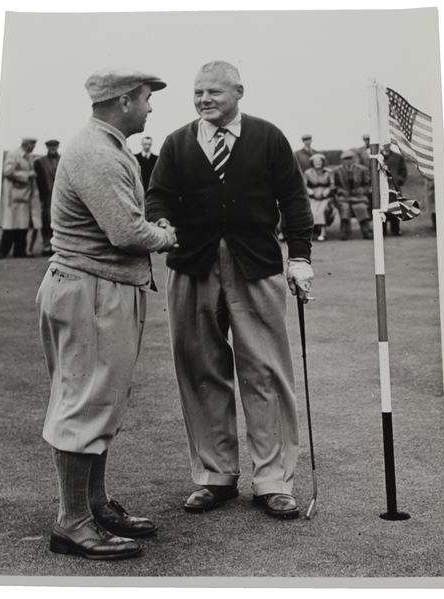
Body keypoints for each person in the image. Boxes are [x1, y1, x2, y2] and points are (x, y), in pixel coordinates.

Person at [146, 61, 314, 519]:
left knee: (265, 371)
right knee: (200, 369)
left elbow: (294, 200)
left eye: (213, 92)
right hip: (192, 267)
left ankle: (273, 481)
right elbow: (158, 193)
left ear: (238, 91)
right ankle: (214, 476)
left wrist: (299, 257)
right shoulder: (178, 141)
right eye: (198, 93)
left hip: (255, 267)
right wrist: (161, 218)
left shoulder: (268, 137)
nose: (203, 100)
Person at [36, 67, 177, 561]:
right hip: (92, 291)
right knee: (85, 403)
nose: (150, 107)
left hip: (98, 287)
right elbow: (125, 232)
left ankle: (92, 505)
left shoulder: (107, 145)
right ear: (122, 102)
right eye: (145, 98)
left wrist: (147, 226)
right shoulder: (97, 151)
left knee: (98, 401)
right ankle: (73, 523)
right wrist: (165, 234)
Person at [0, 137, 40, 258]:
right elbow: (7, 172)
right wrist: (27, 175)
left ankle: (19, 251)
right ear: (27, 144)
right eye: (33, 144)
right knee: (11, 226)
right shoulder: (13, 155)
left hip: (25, 197)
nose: (34, 147)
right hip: (14, 196)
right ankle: (3, 251)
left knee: (22, 225)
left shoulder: (28, 156)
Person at [334, 149, 373, 240]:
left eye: (350, 158)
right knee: (345, 208)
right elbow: (335, 185)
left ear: (354, 159)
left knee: (361, 207)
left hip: (359, 197)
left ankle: (367, 232)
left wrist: (362, 190)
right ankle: (344, 233)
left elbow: (368, 184)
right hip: (344, 197)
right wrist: (341, 191)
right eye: (345, 159)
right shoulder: (337, 171)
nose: (348, 161)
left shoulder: (362, 169)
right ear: (342, 160)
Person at [34, 140, 61, 255]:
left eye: (54, 146)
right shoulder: (40, 161)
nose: (52, 148)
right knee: (46, 222)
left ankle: (58, 246)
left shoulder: (63, 159)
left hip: (61, 195)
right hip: (47, 196)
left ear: (57, 146)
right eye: (50, 146)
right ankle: (46, 245)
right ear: (46, 147)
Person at [303, 153, 336, 241]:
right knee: (311, 210)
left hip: (325, 195)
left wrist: (326, 192)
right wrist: (312, 193)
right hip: (313, 195)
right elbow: (304, 185)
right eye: (315, 162)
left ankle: (323, 232)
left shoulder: (329, 172)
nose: (317, 163)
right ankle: (309, 232)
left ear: (323, 162)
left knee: (322, 209)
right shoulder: (308, 172)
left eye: (319, 161)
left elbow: (332, 185)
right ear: (312, 163)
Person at [380, 146, 408, 236]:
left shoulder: (398, 157)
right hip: (381, 186)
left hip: (394, 186)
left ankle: (395, 229)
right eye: (384, 145)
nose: (386, 147)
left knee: (395, 206)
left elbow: (403, 170)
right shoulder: (377, 157)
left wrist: (400, 179)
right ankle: (382, 230)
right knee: (382, 207)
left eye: (387, 145)